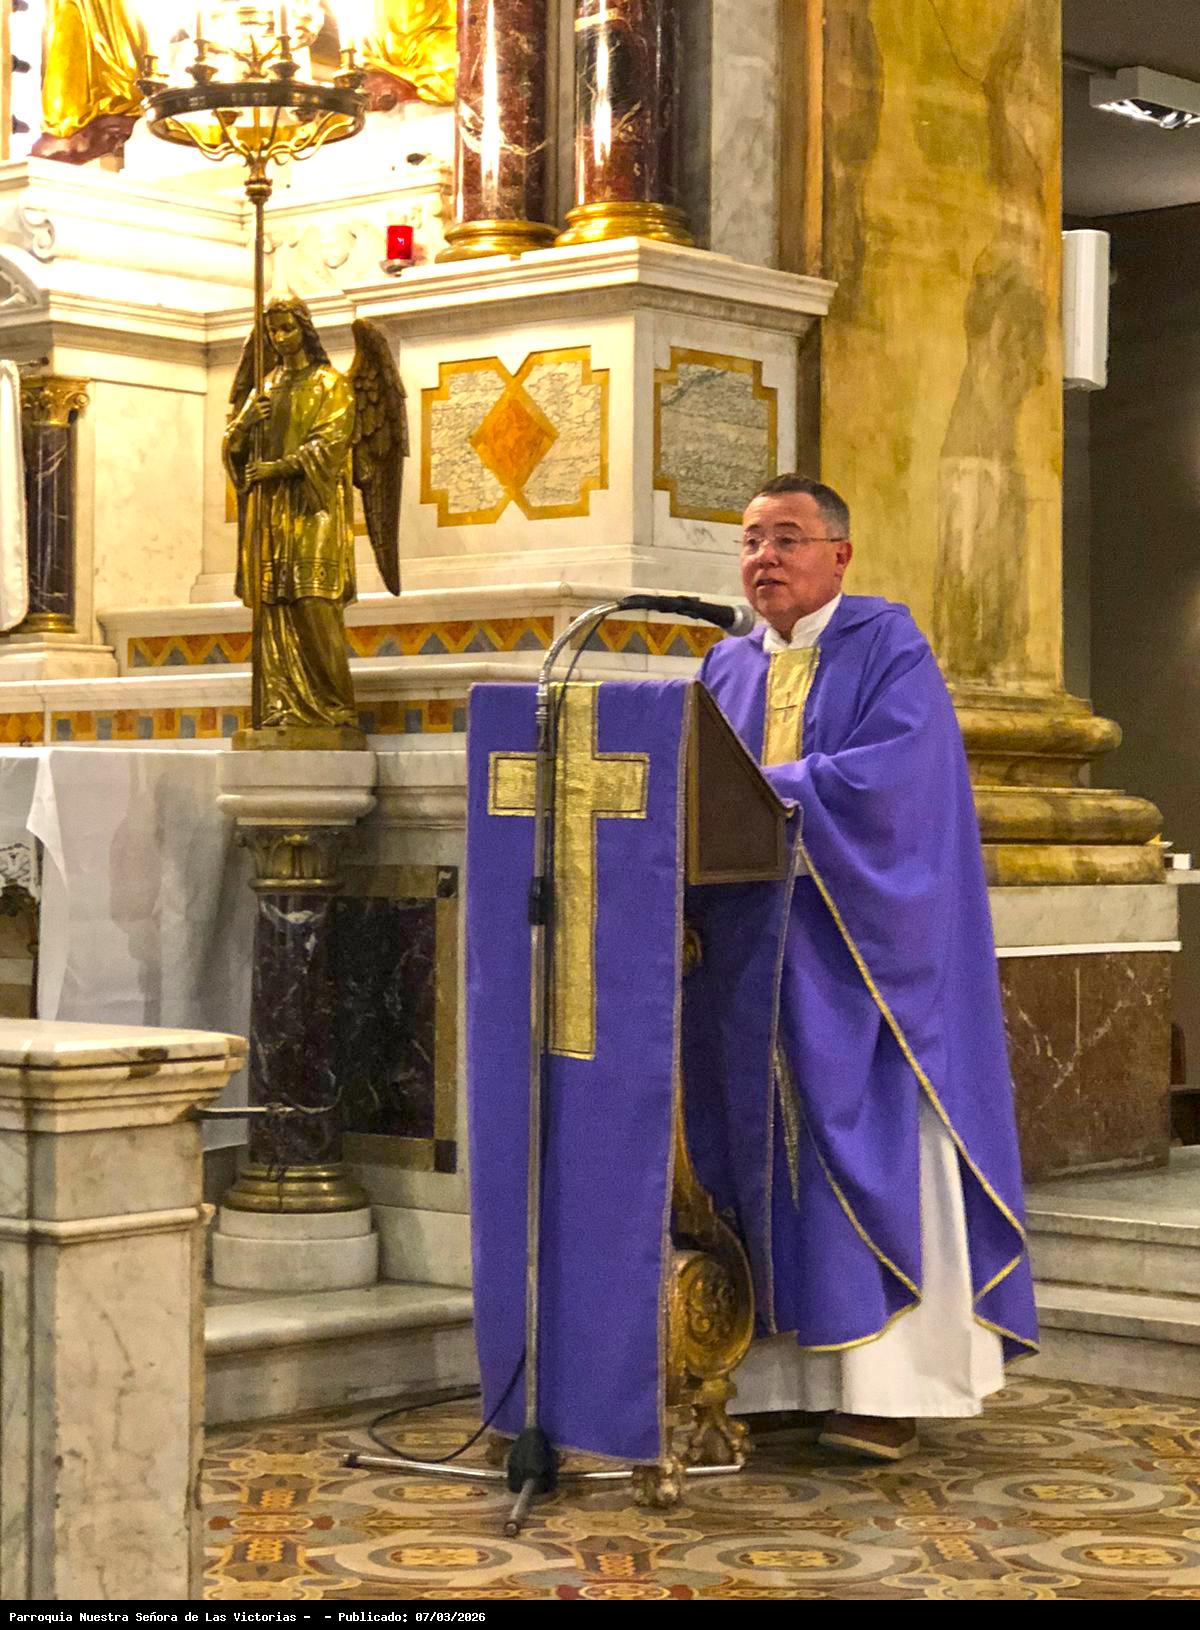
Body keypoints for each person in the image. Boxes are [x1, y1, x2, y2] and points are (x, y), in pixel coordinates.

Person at [697, 473, 1038, 1462]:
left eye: (787, 538)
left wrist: (761, 789)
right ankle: (782, 1377)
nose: (764, 558)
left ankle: (890, 1387)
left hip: (863, 960)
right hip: (754, 958)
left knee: (877, 1147)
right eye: (751, 540)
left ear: (839, 555)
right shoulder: (722, 665)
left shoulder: (888, 646)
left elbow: (897, 781)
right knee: (765, 1156)